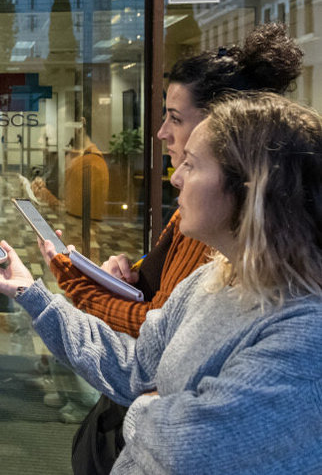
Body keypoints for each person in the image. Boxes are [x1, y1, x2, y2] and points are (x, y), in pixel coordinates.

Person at [0, 92, 322, 474]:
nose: (176, 178)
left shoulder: (302, 333)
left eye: (192, 165)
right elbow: (134, 367)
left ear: (250, 191)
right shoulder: (212, 280)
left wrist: (147, 405)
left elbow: (188, 450)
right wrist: (31, 293)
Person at [33, 23, 303, 475]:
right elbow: (144, 353)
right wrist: (116, 277)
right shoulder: (209, 272)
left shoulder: (294, 327)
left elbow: (189, 438)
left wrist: (76, 283)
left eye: (176, 119)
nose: (162, 136)